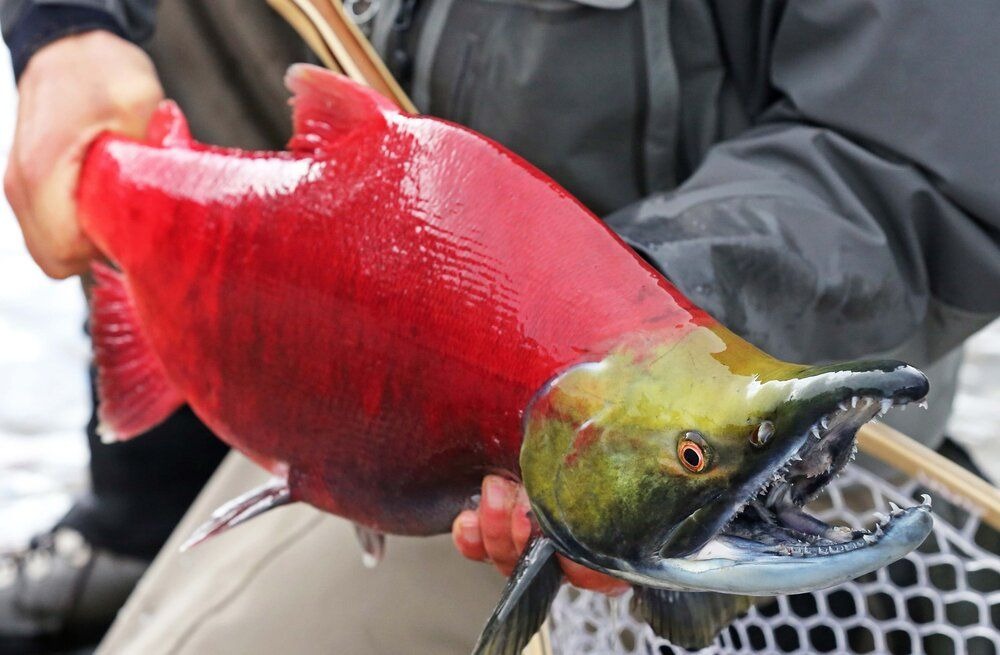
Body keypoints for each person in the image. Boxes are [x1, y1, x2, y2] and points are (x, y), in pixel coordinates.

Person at [2, 0, 998, 653]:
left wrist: (625, 344)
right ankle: (159, 483)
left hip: (649, 375)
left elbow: (914, 157)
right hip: (396, 291)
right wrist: (67, 29)